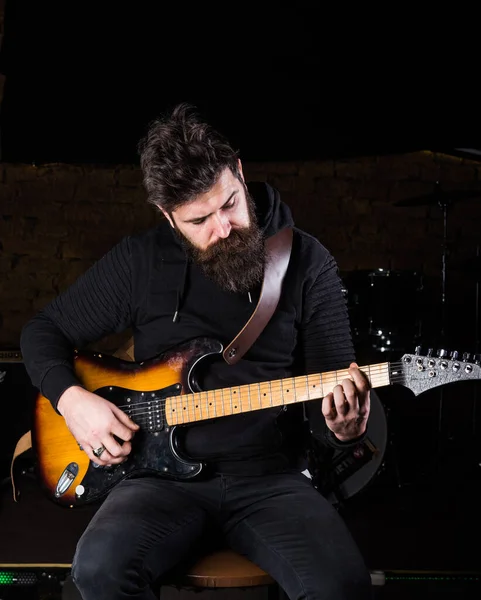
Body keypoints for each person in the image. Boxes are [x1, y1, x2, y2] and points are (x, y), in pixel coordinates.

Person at [20, 103, 373, 600]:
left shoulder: (308, 262)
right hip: (157, 482)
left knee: (344, 587)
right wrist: (73, 401)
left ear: (240, 173)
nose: (222, 228)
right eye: (199, 220)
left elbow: (334, 390)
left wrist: (343, 426)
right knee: (98, 572)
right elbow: (42, 330)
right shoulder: (141, 260)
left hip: (271, 478)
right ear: (168, 216)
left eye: (229, 203)